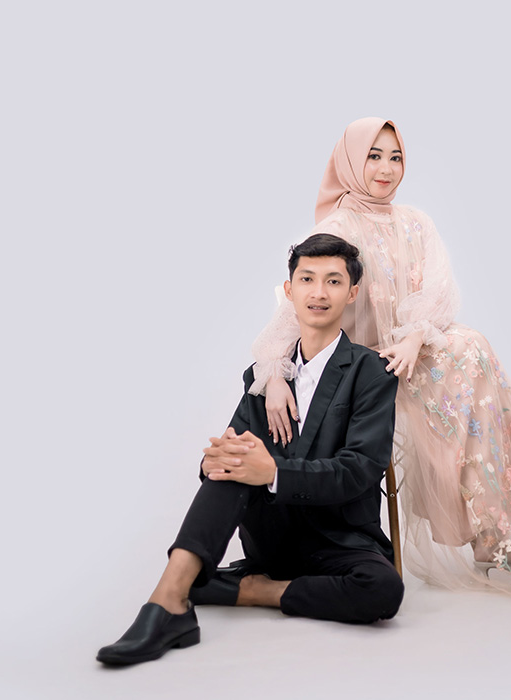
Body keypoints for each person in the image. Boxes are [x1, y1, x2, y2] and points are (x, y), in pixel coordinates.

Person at [250, 118, 511, 595]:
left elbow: (440, 291)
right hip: (364, 364)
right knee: (468, 352)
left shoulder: (416, 221)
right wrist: (275, 375)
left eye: (395, 157)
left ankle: (507, 527)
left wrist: (415, 337)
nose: (386, 169)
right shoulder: (338, 226)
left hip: (414, 349)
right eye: (373, 156)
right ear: (351, 162)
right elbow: (295, 308)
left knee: (470, 346)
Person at [97, 234, 403, 666]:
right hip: (274, 536)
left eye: (333, 281)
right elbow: (234, 450)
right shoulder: (263, 378)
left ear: (352, 293)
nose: (318, 292)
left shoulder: (372, 372)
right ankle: (167, 605)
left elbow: (360, 469)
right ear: (289, 290)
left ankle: (254, 590)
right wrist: (212, 461)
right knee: (232, 463)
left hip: (340, 540)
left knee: (384, 591)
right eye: (307, 279)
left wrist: (274, 473)